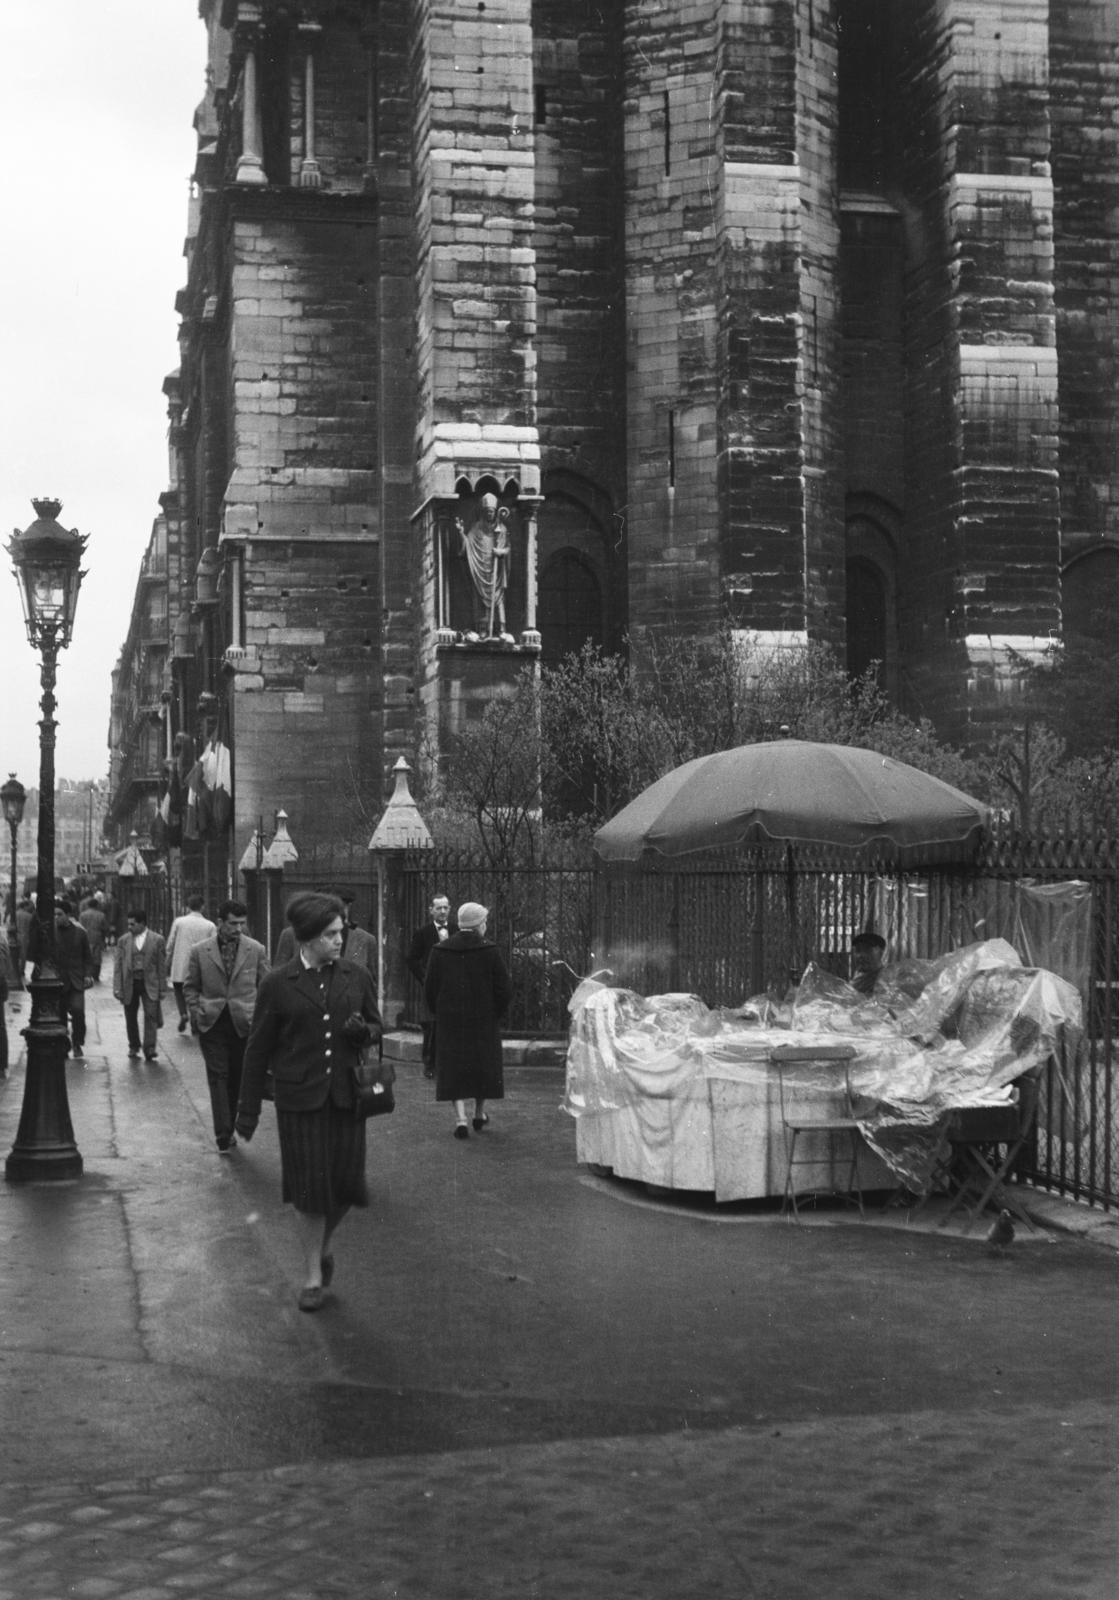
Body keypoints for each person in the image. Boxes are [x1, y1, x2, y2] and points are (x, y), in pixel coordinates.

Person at [236, 892, 383, 1313]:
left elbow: (376, 1024)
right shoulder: (277, 984)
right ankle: (312, 1276)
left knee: (348, 1186)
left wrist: (363, 1033)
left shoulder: (356, 976)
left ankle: (323, 1245)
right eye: (331, 934)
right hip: (299, 1101)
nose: (340, 941)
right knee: (310, 1191)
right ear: (307, 938)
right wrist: (247, 1110)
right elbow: (257, 1050)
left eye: (342, 932)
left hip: (346, 1097)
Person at [184, 899, 269, 1153]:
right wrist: (196, 1009)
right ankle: (223, 1134)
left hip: (244, 1023)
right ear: (219, 922)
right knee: (218, 1076)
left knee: (237, 1078)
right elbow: (190, 986)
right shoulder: (200, 951)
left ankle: (228, 1126)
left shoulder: (256, 950)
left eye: (242, 923)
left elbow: (266, 986)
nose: (238, 928)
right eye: (233, 923)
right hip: (212, 1022)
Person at [424, 900, 512, 1139]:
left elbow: (430, 988)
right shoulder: (490, 950)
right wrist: (495, 1012)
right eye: (484, 921)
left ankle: (460, 1118)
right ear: (477, 924)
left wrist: (440, 1012)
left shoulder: (440, 950)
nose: (486, 925)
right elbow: (504, 989)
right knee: (482, 1066)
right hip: (483, 1020)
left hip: (450, 1021)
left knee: (454, 1067)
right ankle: (479, 1113)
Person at [273, 886, 377, 981]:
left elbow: (373, 981)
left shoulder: (365, 939)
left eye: (343, 907)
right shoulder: (291, 934)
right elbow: (279, 975)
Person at [406, 892, 453, 1079]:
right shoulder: (423, 933)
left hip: (452, 987)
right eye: (438, 908)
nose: (442, 911)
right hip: (431, 988)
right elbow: (412, 959)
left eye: (445, 907)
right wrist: (426, 980)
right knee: (431, 1026)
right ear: (431, 910)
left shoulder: (456, 929)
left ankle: (449, 1063)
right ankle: (429, 1064)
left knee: (450, 1025)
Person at [113, 908, 168, 1062]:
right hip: (129, 982)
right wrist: (117, 987)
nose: (129, 927)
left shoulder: (157, 939)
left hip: (149, 982)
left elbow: (161, 966)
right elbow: (118, 966)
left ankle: (150, 1048)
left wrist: (162, 988)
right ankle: (134, 1045)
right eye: (128, 924)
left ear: (142, 923)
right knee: (130, 1016)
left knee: (151, 1015)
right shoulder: (123, 940)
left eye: (132, 924)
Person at [457, 492, 511, 637]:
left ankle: (501, 629)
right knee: (480, 599)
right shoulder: (476, 529)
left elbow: (508, 549)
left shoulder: (502, 530)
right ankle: (482, 629)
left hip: (496, 571)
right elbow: (467, 545)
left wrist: (500, 552)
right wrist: (461, 533)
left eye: (492, 512)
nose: (489, 514)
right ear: (483, 512)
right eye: (487, 511)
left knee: (498, 599)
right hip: (480, 570)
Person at [165, 894, 217, 1032]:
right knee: (197, 992)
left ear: (188, 907)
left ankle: (183, 1013)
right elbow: (214, 946)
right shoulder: (210, 925)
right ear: (203, 907)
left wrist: (167, 961)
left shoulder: (179, 922)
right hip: (201, 965)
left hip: (180, 963)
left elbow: (170, 943)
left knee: (178, 989)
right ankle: (195, 1019)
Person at [54, 898, 97, 1059]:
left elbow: (88, 957)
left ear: (68, 915)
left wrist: (87, 974)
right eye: (54, 915)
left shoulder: (80, 933)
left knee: (78, 1012)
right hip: (57, 981)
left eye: (59, 914)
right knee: (60, 1015)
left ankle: (77, 1043)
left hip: (76, 980)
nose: (56, 917)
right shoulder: (51, 933)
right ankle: (63, 1045)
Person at [78, 897, 109, 983]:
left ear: (88, 905)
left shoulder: (83, 915)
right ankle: (95, 975)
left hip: (85, 937)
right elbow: (105, 928)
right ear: (97, 905)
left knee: (85, 956)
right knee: (97, 957)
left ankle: (87, 974)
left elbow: (79, 927)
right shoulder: (101, 915)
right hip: (97, 938)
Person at [850, 930, 887, 996]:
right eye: (857, 950)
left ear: (881, 952)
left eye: (867, 950)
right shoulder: (858, 978)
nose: (860, 955)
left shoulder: (884, 981)